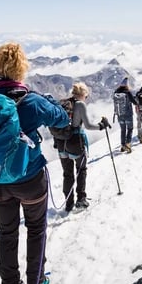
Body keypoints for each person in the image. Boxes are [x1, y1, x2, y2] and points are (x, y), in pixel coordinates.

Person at [0, 43, 68, 284]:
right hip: (30, 178)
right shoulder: (32, 101)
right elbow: (62, 119)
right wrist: (48, 101)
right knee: (36, 231)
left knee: (7, 233)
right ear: (22, 68)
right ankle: (37, 281)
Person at [54, 82, 109, 212]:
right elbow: (88, 126)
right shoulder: (80, 105)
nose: (86, 98)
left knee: (67, 174)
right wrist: (102, 125)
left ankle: (68, 203)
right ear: (83, 94)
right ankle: (81, 199)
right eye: (87, 96)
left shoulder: (62, 103)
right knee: (81, 170)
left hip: (61, 143)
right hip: (75, 142)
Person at [113, 77, 137, 152]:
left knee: (123, 130)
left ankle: (123, 146)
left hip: (119, 115)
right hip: (128, 115)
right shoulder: (127, 92)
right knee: (130, 129)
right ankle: (128, 144)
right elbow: (134, 102)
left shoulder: (116, 92)